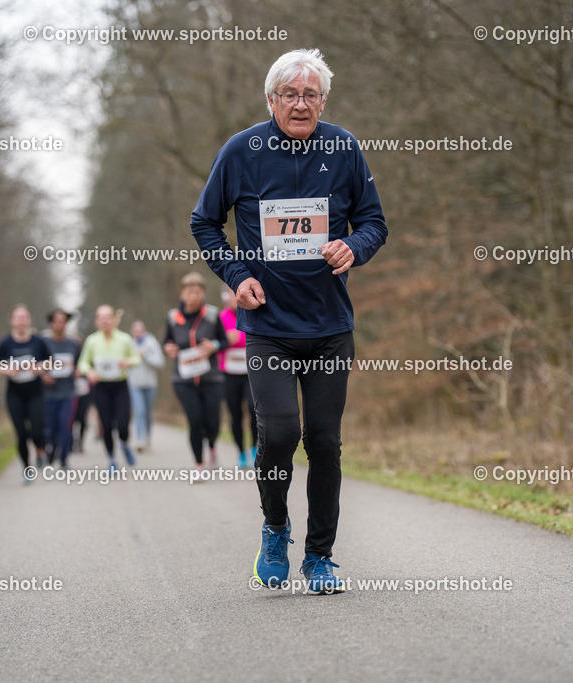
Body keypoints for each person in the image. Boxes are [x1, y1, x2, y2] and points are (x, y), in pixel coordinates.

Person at [190, 49, 388, 593]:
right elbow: (205, 222)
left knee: (324, 442)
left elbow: (374, 221)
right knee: (278, 433)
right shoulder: (242, 151)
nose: (301, 104)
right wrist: (235, 275)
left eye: (311, 95)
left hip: (329, 327)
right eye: (290, 94)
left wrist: (354, 246)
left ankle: (319, 557)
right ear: (271, 99)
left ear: (323, 100)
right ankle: (275, 527)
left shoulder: (343, 147)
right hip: (268, 324)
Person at [162, 272, 229, 472]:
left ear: (203, 293)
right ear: (182, 293)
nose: (194, 295)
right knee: (195, 421)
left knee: (213, 422)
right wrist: (168, 348)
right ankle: (199, 464)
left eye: (198, 291)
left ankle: (212, 446)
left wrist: (214, 345)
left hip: (211, 377)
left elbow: (224, 341)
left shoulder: (212, 314)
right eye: (190, 291)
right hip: (183, 379)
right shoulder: (173, 317)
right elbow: (166, 341)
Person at [0, 305, 52, 483]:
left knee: (37, 429)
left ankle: (41, 449)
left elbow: (50, 362)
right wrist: (7, 370)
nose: (21, 321)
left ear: (29, 320)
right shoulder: (6, 343)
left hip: (35, 392)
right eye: (18, 318)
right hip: (15, 394)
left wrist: (39, 368)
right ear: (12, 321)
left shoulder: (38, 342)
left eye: (24, 318)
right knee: (21, 434)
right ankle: (27, 469)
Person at [77, 305, 141, 472]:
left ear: (114, 319)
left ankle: (125, 444)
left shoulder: (125, 339)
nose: (105, 320)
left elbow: (136, 358)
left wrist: (128, 362)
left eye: (108, 317)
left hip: (120, 385)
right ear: (97, 321)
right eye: (101, 317)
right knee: (105, 425)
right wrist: (89, 371)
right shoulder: (92, 341)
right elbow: (83, 362)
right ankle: (112, 458)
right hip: (101, 387)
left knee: (123, 424)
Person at [219, 285, 257, 468]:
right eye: (230, 294)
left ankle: (255, 448)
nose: (234, 297)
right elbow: (215, 343)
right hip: (228, 373)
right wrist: (225, 341)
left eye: (237, 293)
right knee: (235, 414)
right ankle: (241, 452)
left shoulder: (252, 312)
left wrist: (237, 339)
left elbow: (254, 338)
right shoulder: (221, 318)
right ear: (225, 296)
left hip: (251, 372)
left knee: (254, 408)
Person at [41, 308, 80, 469]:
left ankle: (63, 459)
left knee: (65, 426)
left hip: (67, 391)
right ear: (51, 324)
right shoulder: (44, 344)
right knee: (50, 428)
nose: (60, 324)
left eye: (63, 321)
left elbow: (79, 364)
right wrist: (43, 376)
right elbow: (36, 365)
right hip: (49, 393)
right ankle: (50, 449)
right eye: (56, 321)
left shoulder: (73, 344)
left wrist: (77, 371)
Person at [128, 320, 164, 452]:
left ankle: (147, 438)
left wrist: (146, 356)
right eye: (135, 330)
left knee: (148, 413)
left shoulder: (151, 342)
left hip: (150, 384)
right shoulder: (129, 344)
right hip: (134, 384)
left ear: (144, 331)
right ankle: (140, 439)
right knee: (139, 411)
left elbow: (160, 362)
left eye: (140, 330)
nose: (137, 333)